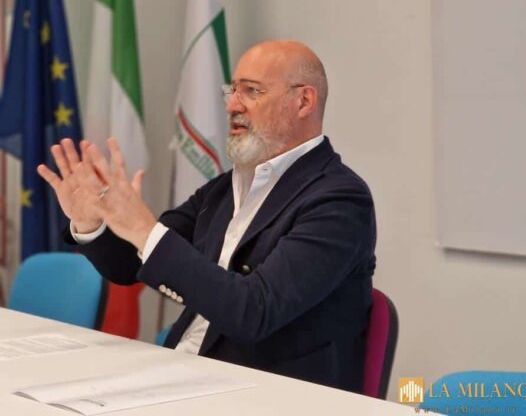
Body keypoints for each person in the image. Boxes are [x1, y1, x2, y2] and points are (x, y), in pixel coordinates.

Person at [38, 40, 376, 392]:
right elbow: (130, 266)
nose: (232, 105)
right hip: (182, 372)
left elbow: (253, 312)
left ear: (303, 101)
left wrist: (142, 227)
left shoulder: (339, 200)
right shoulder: (225, 188)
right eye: (232, 91)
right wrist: (90, 222)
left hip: (264, 392)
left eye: (251, 91)